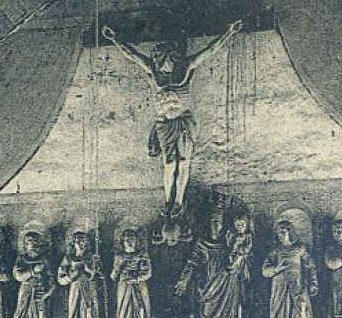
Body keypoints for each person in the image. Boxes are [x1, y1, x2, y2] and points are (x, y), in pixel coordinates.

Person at [103, 20, 243, 219]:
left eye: (165, 57)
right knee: (169, 164)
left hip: (184, 122)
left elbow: (210, 50)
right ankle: (169, 200)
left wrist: (228, 33)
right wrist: (114, 39)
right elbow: (132, 55)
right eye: (158, 57)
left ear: (173, 56)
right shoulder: (154, 70)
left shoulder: (184, 68)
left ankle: (178, 201)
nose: (162, 62)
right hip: (164, 124)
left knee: (184, 162)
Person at [262, 217, 318, 318]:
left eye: (284, 232)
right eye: (279, 233)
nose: (281, 235)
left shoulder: (300, 249)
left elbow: (311, 266)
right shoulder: (275, 251)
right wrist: (276, 269)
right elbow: (264, 270)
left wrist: (313, 283)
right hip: (280, 290)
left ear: (290, 232)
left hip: (297, 289)